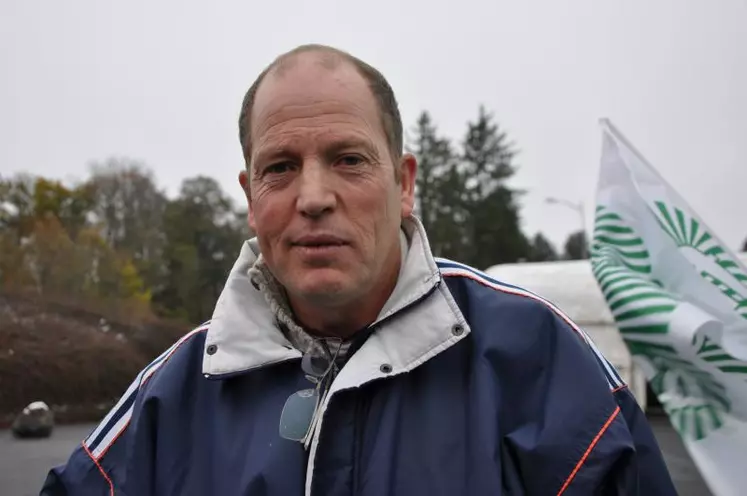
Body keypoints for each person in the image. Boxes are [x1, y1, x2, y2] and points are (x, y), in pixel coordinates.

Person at [41, 44, 677, 495]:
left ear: (403, 184)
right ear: (250, 197)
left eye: (348, 159)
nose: (313, 196)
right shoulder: (171, 398)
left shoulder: (538, 360)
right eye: (280, 167)